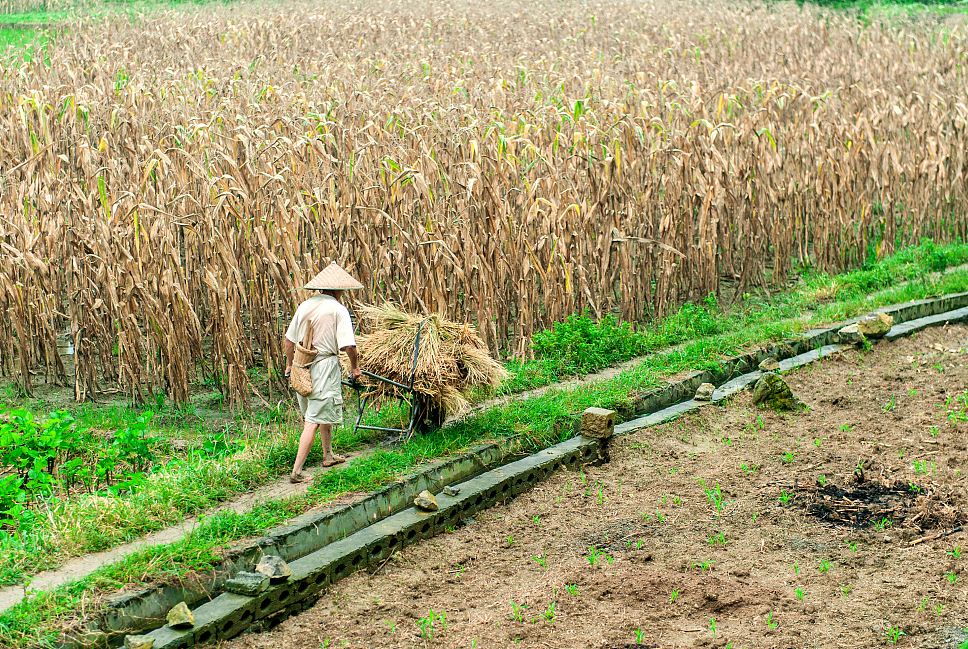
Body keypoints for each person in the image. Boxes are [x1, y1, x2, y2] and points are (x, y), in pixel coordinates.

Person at [284, 262, 363, 483]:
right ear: (339, 290)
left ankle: (328, 455)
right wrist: (355, 368)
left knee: (319, 412)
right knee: (314, 419)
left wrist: (290, 365)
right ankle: (297, 472)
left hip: (302, 366)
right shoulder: (339, 309)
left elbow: (289, 340)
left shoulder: (305, 305)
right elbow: (349, 346)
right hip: (323, 367)